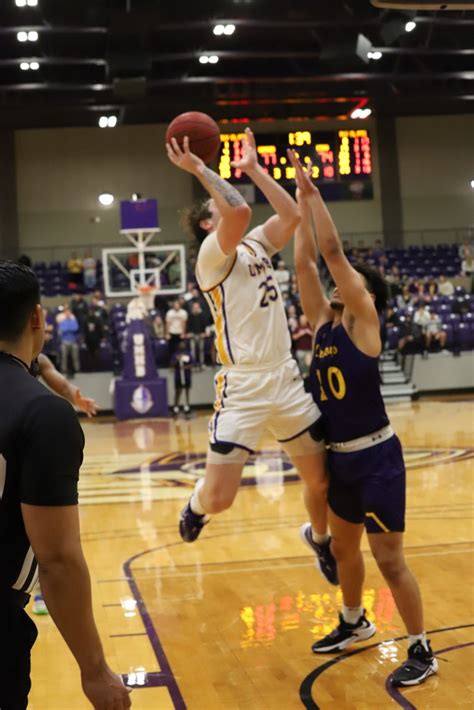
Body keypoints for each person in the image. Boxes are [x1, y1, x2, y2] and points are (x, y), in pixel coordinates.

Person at [288, 152, 437, 687]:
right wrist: (300, 210)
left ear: (365, 296)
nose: (338, 285)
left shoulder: (364, 323)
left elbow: (330, 253)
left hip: (375, 456)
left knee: (390, 559)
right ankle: (354, 621)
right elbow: (306, 264)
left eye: (350, 282)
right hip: (339, 459)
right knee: (345, 550)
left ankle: (421, 647)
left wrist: (312, 196)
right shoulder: (322, 326)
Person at [166, 129, 337, 585]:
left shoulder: (257, 244)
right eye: (214, 206)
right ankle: (197, 505)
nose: (228, 199)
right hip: (242, 388)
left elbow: (293, 213)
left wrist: (255, 170)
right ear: (207, 224)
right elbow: (238, 210)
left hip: (284, 378)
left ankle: (319, 539)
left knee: (320, 483)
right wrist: (201, 169)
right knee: (221, 498)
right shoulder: (211, 257)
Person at [0, 260, 131, 709]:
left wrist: (73, 394)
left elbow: (54, 378)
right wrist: (94, 670)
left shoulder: (39, 373)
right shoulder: (39, 412)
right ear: (37, 317)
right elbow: (57, 558)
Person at [31, 353, 98, 615]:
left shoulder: (31, 350)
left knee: (35, 523)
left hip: (25, 433)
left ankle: (39, 590)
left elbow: (50, 372)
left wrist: (72, 394)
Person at [58, 306, 81, 377]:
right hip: (64, 342)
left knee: (75, 356)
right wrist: (69, 329)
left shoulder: (74, 321)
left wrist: (67, 329)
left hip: (73, 341)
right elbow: (61, 330)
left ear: (70, 313)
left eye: (69, 313)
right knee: (64, 356)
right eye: (66, 313)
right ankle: (63, 370)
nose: (68, 314)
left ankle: (77, 369)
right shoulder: (62, 322)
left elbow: (76, 328)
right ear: (65, 314)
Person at [171, 341, 193, 415]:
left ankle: (187, 406)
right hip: (178, 376)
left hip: (186, 376)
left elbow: (192, 364)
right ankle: (176, 407)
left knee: (186, 391)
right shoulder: (175, 355)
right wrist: (177, 360)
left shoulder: (188, 354)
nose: (182, 346)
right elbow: (172, 364)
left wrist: (185, 367)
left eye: (183, 344)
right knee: (178, 391)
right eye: (180, 345)